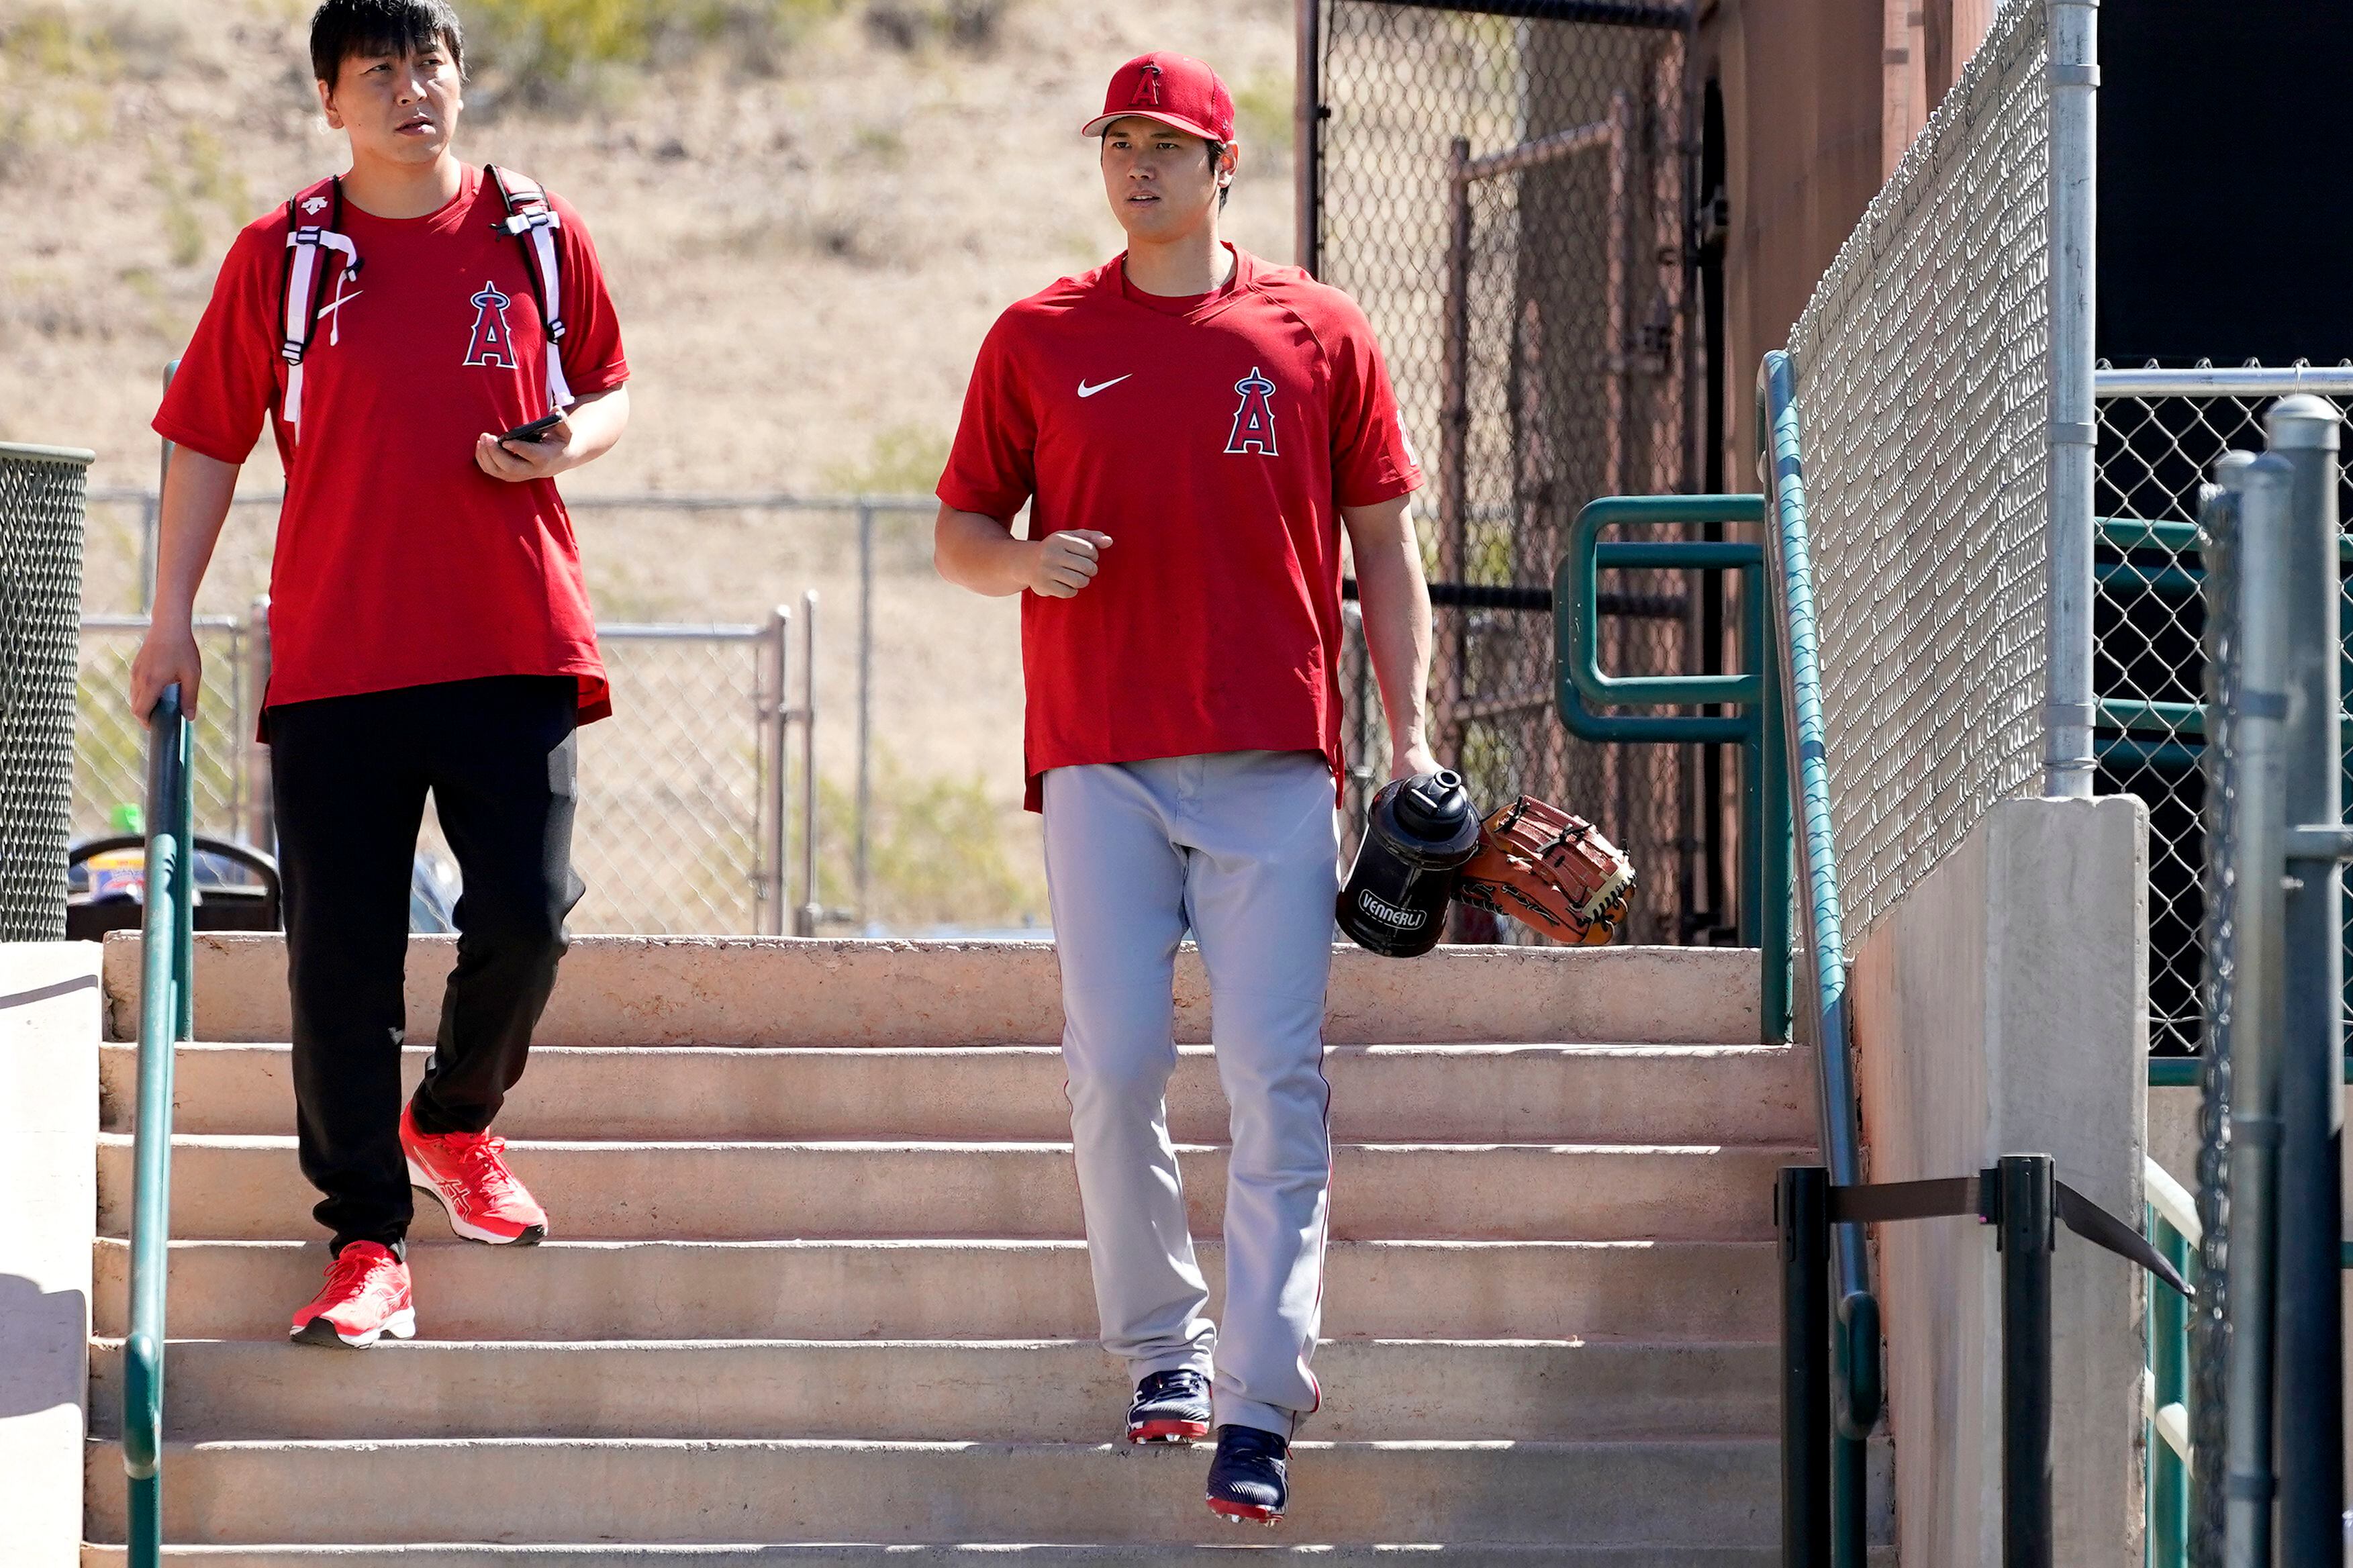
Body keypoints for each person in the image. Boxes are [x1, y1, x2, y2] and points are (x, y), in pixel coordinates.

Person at [932, 50, 1437, 1526]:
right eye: (1117, 144)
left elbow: (1388, 557)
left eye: (1166, 144)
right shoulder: (1037, 334)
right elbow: (959, 524)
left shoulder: (1318, 331)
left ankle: (1260, 1396)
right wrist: (1022, 560)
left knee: (1274, 1077)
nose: (1136, 166)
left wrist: (1411, 741)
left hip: (1276, 764)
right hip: (1097, 758)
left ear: (1226, 168)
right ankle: (1164, 1351)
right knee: (1118, 1063)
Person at [130, 0, 630, 1349]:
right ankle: (365, 1240)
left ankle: (453, 1118)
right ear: (329, 102)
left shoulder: (534, 231)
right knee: (339, 964)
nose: (416, 88)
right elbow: (206, 438)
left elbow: (612, 387)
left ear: (462, 82)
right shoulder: (285, 256)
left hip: (516, 639)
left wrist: (565, 441)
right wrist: (169, 618)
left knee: (527, 914)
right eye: (381, 70)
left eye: (434, 63)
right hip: (343, 659)